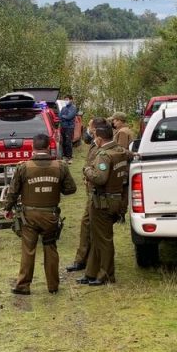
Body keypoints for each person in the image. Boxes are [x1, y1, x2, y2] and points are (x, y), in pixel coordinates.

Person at [4, 133, 77, 295]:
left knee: (28, 250)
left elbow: (13, 191)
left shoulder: (23, 167)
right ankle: (53, 286)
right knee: (50, 248)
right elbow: (71, 189)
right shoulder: (61, 166)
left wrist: (7, 208)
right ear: (48, 147)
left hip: (29, 216)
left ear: (33, 148)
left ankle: (23, 285)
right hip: (51, 215)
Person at [77, 123, 133, 286]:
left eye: (95, 138)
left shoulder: (104, 155)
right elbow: (132, 154)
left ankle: (107, 274)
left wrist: (87, 170)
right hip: (116, 199)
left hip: (102, 202)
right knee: (97, 237)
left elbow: (100, 178)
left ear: (100, 139)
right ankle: (91, 272)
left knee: (104, 239)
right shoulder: (120, 151)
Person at [66, 117, 108, 273]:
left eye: (90, 127)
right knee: (87, 224)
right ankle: (84, 259)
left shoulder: (103, 146)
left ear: (95, 130)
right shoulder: (95, 144)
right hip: (91, 189)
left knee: (90, 224)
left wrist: (88, 173)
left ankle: (87, 261)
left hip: (97, 191)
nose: (88, 130)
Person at [59, 94, 78, 163]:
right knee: (63, 142)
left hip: (69, 127)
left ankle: (69, 157)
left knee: (68, 142)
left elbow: (70, 117)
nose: (66, 101)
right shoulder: (63, 108)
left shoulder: (73, 108)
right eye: (65, 99)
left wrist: (64, 117)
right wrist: (64, 117)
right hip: (63, 127)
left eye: (67, 99)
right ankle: (64, 156)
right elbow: (60, 116)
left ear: (71, 100)